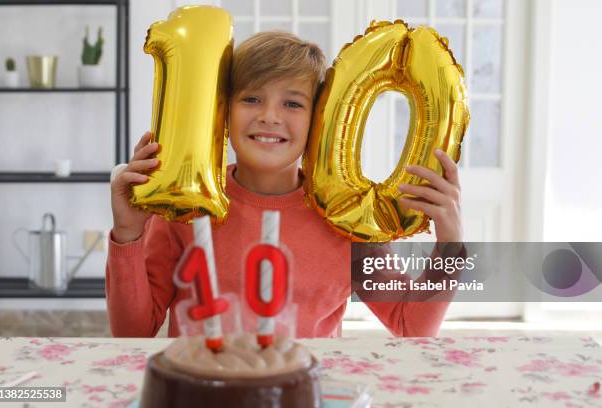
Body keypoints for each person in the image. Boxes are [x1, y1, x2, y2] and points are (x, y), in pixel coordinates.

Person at [106, 31, 464, 338]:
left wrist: (450, 246)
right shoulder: (184, 207)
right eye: (251, 98)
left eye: (292, 103)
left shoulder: (349, 218)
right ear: (223, 110)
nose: (269, 116)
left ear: (319, 120)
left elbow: (410, 325)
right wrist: (127, 233)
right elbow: (133, 331)